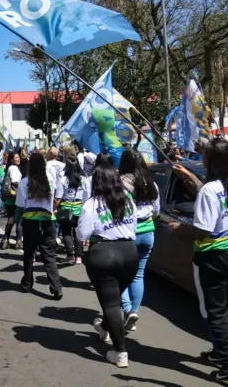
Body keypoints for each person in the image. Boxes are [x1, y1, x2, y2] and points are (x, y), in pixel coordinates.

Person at [169, 138, 228, 384]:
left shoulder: (210, 190)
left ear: (208, 160)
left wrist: (179, 229)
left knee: (215, 313)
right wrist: (189, 177)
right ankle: (219, 353)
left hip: (213, 257)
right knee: (227, 306)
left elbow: (203, 230)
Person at [76, 152, 138, 368]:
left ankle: (120, 351)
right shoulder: (128, 200)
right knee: (112, 297)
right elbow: (134, 228)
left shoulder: (91, 204)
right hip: (130, 254)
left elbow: (82, 235)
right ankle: (105, 327)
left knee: (111, 302)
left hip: (104, 254)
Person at [118, 149, 160, 332]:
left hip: (128, 234)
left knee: (119, 275)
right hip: (148, 233)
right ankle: (134, 312)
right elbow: (156, 211)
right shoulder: (151, 184)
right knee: (138, 274)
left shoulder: (121, 184)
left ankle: (127, 310)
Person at [13, 152, 63, 300]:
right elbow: (55, 198)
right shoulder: (50, 181)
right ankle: (56, 287)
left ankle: (27, 284)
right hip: (48, 222)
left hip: (30, 223)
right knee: (49, 255)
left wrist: (15, 220)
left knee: (29, 254)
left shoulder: (24, 182)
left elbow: (20, 206)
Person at [54, 155, 90, 265]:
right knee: (78, 232)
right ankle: (78, 256)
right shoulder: (84, 179)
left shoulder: (63, 180)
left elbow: (58, 197)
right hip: (80, 208)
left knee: (66, 232)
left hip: (66, 208)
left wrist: (54, 208)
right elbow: (87, 194)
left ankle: (70, 255)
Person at [2, 151, 23, 249]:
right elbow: (15, 182)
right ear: (11, 159)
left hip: (9, 199)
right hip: (14, 198)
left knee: (11, 219)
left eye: (19, 157)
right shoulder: (14, 168)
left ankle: (5, 240)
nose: (18, 159)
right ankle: (19, 241)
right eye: (16, 157)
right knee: (19, 220)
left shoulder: (9, 168)